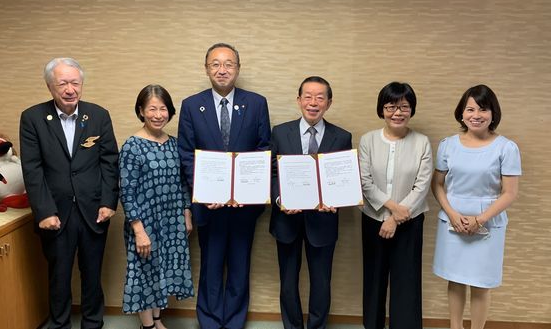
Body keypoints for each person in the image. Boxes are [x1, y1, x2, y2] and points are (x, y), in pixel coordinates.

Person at [20, 57, 119, 329]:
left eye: (75, 82)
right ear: (50, 86)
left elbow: (110, 161)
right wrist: (44, 211)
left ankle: (92, 324)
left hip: (94, 211)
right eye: (62, 83)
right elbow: (32, 168)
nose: (69, 89)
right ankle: (60, 324)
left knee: (92, 275)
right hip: (56, 214)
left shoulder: (98, 115)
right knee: (59, 277)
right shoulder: (33, 118)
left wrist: (109, 202)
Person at [177, 42, 271, 329]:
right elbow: (186, 153)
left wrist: (248, 190)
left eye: (228, 64)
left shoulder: (256, 103)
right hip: (208, 205)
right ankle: (209, 321)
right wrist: (206, 193)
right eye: (215, 64)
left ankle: (233, 322)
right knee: (211, 265)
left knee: (240, 266)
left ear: (238, 69)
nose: (222, 69)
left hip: (245, 205)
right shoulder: (192, 105)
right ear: (206, 68)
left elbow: (263, 149)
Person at [432, 85, 521, 329]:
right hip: (452, 220)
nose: (476, 115)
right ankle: (455, 326)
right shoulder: (448, 144)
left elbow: (510, 192)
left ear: (493, 113)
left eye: (483, 109)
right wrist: (451, 214)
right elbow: (438, 185)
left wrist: (480, 219)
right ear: (461, 113)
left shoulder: (506, 147)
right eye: (470, 109)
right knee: (456, 279)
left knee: (481, 282)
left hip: (489, 222)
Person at [270, 76, 352, 329]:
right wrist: (280, 199)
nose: (313, 102)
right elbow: (272, 172)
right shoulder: (281, 132)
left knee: (321, 282)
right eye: (308, 96)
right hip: (287, 220)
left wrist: (338, 200)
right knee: (288, 280)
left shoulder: (342, 137)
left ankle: (317, 326)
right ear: (299, 100)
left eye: (320, 97)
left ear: (329, 102)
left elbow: (343, 177)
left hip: (323, 221)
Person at [358, 82, 433, 329]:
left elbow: (422, 186)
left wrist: (396, 217)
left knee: (406, 282)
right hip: (373, 219)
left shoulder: (422, 142)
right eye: (391, 106)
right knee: (374, 279)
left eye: (404, 106)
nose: (397, 112)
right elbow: (365, 181)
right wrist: (391, 208)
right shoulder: (368, 140)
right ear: (382, 109)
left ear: (412, 110)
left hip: (409, 222)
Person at [119, 84, 194, 329]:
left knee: (164, 271)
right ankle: (148, 326)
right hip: (144, 222)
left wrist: (186, 214)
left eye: (163, 109)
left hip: (172, 221)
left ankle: (157, 319)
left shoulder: (174, 144)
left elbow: (183, 182)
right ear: (141, 111)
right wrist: (139, 230)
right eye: (152, 109)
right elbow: (126, 191)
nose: (158, 115)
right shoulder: (132, 146)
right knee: (145, 273)